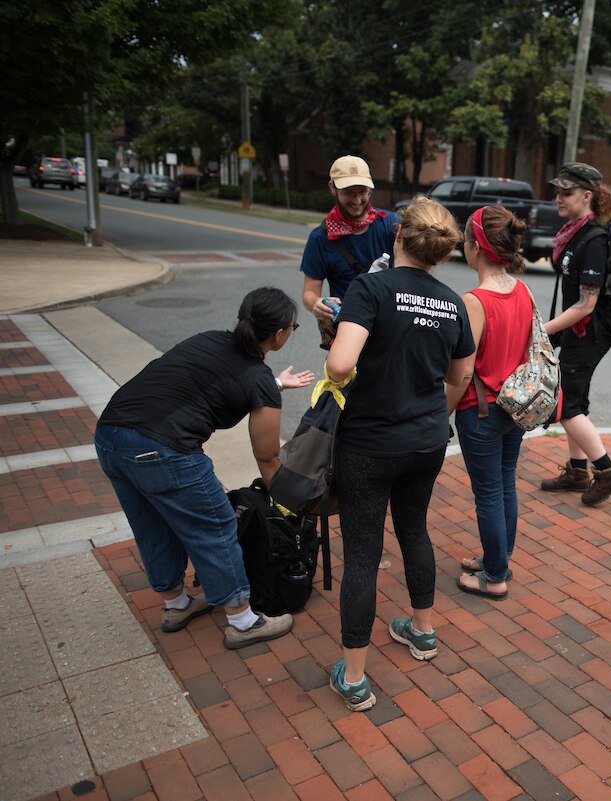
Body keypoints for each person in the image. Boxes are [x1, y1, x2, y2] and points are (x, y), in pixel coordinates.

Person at [94, 288, 314, 649]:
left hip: (110, 437)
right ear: (279, 335)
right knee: (215, 525)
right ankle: (243, 621)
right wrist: (291, 504)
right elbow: (267, 456)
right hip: (163, 450)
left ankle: (176, 605)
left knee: (152, 523)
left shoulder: (209, 340)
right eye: (293, 326)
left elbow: (204, 384)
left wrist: (272, 385)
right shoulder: (258, 379)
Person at [324, 196, 474, 712]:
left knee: (363, 552)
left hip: (368, 443)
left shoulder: (371, 288)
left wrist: (338, 359)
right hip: (427, 440)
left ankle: (356, 675)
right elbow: (461, 377)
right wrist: (433, 415)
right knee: (414, 529)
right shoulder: (453, 302)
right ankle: (423, 631)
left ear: (398, 237)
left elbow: (341, 365)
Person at [446, 206, 534, 600]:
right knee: (504, 484)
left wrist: (440, 413)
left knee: (487, 492)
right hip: (516, 406)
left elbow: (463, 373)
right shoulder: (523, 289)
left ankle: (494, 575)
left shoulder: (474, 300)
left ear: (476, 247)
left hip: (480, 410)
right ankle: (498, 558)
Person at [538, 162, 611, 506]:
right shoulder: (576, 232)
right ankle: (577, 471)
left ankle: (607, 472)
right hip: (579, 331)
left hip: (590, 331)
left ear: (586, 196)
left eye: (567, 192)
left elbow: (587, 304)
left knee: (566, 403)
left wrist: (541, 331)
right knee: (573, 398)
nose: (559, 198)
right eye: (558, 191)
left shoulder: (594, 239)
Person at [300, 155, 399, 347]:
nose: (357, 200)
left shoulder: (391, 224)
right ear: (332, 188)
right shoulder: (320, 238)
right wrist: (317, 303)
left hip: (390, 327)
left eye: (362, 192)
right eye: (348, 193)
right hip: (349, 332)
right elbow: (309, 293)